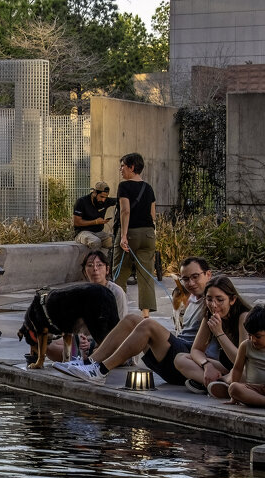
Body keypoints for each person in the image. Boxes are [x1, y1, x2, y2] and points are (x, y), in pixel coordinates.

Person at [63, 256, 212, 385]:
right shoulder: (193, 299)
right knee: (132, 319)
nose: (190, 283)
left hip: (190, 360)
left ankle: (101, 370)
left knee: (148, 324)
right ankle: (88, 363)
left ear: (208, 275)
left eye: (195, 277)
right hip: (175, 360)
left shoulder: (213, 303)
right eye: (185, 279)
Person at [45, 249, 128, 363]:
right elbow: (77, 326)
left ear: (107, 269)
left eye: (99, 265)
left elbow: (120, 328)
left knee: (100, 352)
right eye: (90, 265)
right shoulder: (82, 292)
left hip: (109, 341)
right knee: (48, 346)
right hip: (86, 341)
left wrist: (93, 344)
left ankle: (85, 358)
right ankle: (81, 358)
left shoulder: (116, 292)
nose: (95, 269)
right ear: (84, 271)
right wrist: (79, 338)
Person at [174, 275, 253, 394]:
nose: (214, 305)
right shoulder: (209, 316)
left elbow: (241, 361)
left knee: (243, 374)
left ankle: (217, 384)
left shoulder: (244, 317)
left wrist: (219, 333)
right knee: (180, 358)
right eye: (209, 299)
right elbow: (196, 350)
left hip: (245, 368)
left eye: (220, 300)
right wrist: (206, 365)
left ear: (232, 300)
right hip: (227, 367)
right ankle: (217, 385)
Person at [111, 152, 158, 318]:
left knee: (120, 273)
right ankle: (146, 314)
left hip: (130, 232)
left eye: (122, 166)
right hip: (148, 234)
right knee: (146, 275)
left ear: (131, 167)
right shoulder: (149, 188)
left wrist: (123, 235)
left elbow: (125, 211)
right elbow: (153, 215)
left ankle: (118, 311)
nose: (120, 169)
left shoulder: (124, 186)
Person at [73, 181, 115, 251]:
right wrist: (95, 222)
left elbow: (121, 200)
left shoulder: (105, 201)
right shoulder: (81, 202)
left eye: (106, 197)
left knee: (115, 241)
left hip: (99, 233)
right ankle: (95, 258)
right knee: (95, 242)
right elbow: (77, 222)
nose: (103, 200)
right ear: (94, 193)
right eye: (101, 196)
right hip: (83, 232)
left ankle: (110, 258)